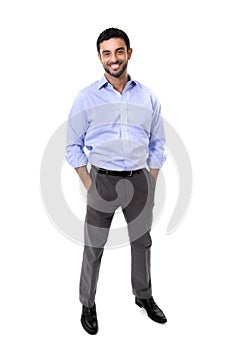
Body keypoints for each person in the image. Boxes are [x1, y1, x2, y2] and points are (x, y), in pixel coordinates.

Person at [65, 27, 167, 335]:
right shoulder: (86, 97)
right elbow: (72, 145)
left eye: (119, 51)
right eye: (107, 53)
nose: (114, 59)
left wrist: (150, 180)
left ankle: (143, 296)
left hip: (139, 181)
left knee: (142, 242)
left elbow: (157, 143)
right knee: (94, 246)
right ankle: (88, 303)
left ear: (129, 54)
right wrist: (88, 183)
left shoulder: (147, 95)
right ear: (100, 57)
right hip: (103, 182)